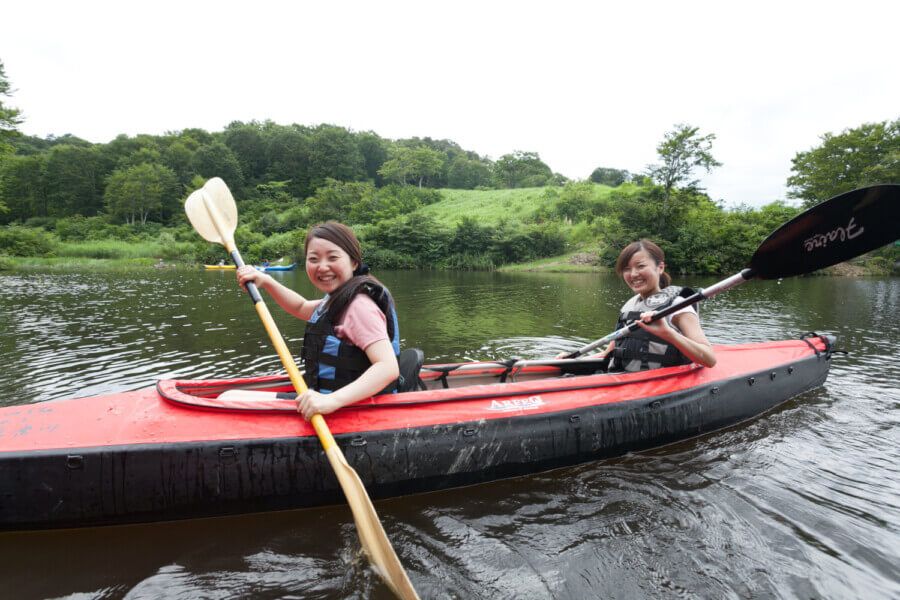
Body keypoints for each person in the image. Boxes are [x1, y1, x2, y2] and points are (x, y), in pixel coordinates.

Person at [236, 222, 400, 419]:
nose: (322, 267)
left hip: (346, 408)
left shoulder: (359, 307)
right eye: (313, 259)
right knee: (230, 396)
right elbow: (300, 307)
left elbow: (388, 368)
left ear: (354, 262)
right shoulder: (336, 298)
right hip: (323, 399)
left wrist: (332, 401)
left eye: (333, 257)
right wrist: (267, 282)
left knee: (229, 398)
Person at [589, 239, 716, 372]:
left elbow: (709, 359)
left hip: (662, 385)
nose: (633, 274)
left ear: (660, 267)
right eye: (627, 269)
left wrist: (668, 333)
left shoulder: (678, 306)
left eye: (641, 266)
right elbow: (606, 354)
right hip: (623, 381)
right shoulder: (629, 306)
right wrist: (568, 360)